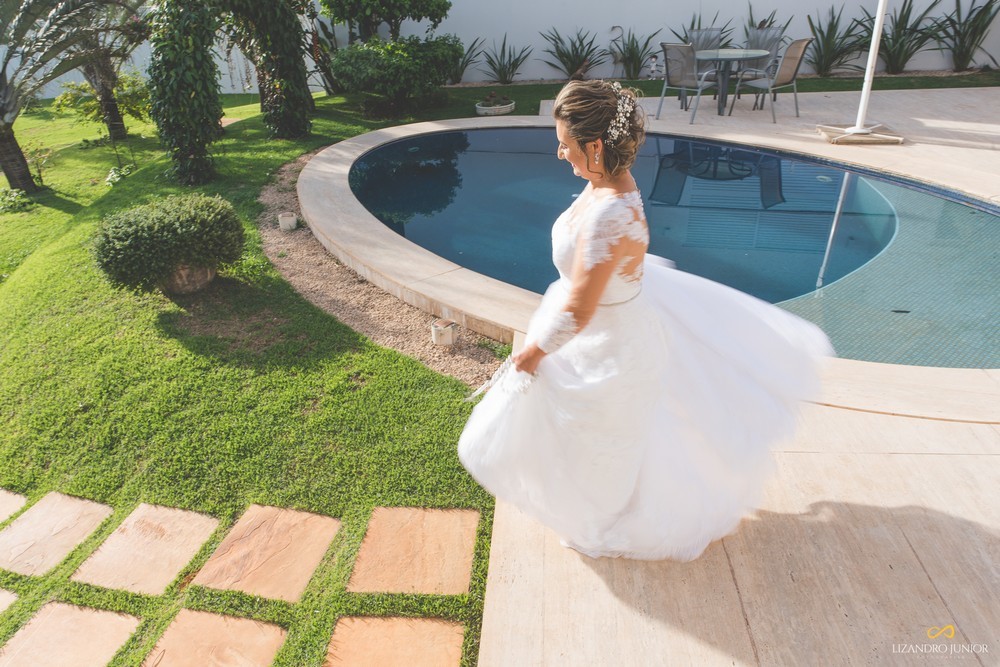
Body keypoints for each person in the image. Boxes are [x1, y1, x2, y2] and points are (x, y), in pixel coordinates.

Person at [458, 80, 833, 561]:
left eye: (565, 144)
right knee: (589, 438)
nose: (558, 153)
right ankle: (591, 506)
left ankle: (600, 519)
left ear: (595, 146)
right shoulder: (604, 188)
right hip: (607, 331)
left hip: (610, 347)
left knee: (602, 444)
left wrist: (531, 353)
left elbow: (580, 309)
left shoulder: (610, 213)